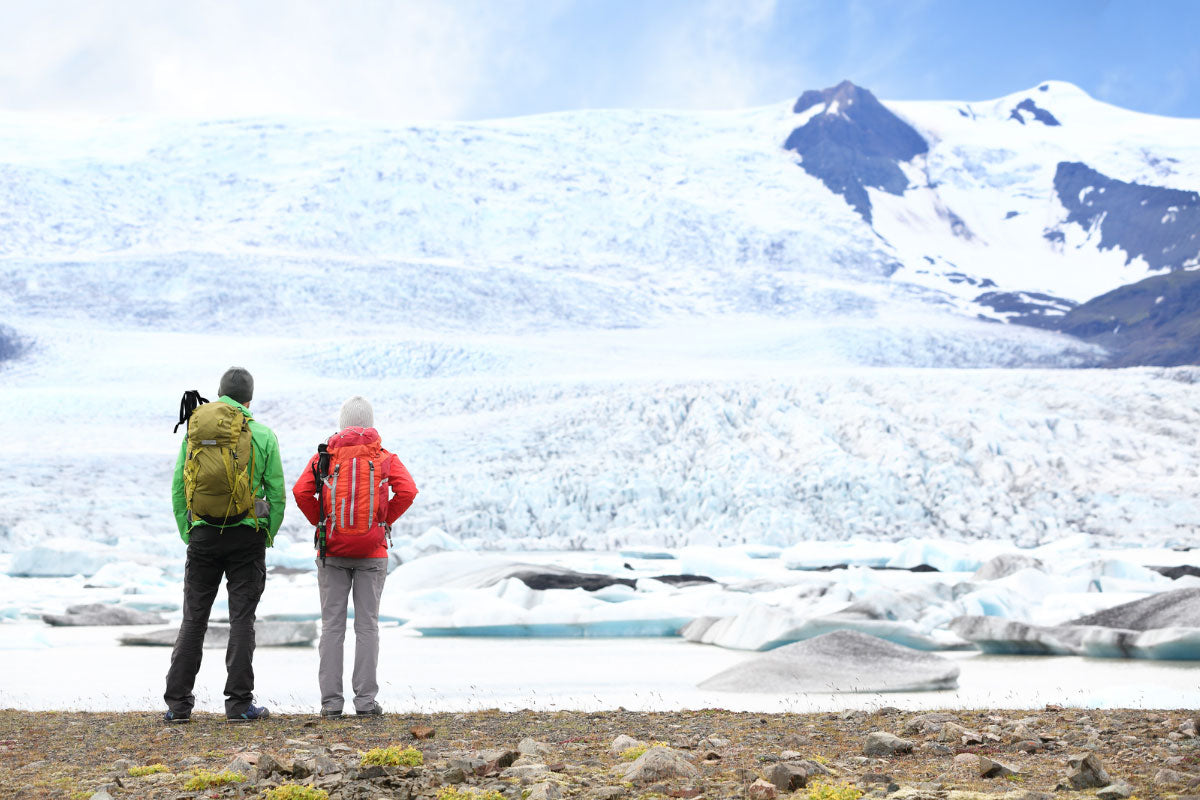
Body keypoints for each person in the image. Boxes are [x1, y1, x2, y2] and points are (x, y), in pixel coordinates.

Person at [164, 367, 285, 722]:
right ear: (249, 399)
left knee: (193, 619)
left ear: (219, 394)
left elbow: (177, 489)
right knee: (242, 621)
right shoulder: (262, 434)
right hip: (246, 538)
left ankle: (178, 705)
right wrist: (265, 534)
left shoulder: (195, 432)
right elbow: (275, 494)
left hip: (203, 535)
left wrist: (191, 531)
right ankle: (238, 705)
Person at [292, 395, 417, 717]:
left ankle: (331, 704)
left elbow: (301, 492)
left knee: (332, 627)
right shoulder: (385, 457)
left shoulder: (324, 457)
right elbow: (408, 491)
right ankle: (365, 702)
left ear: (341, 424)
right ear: (371, 423)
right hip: (373, 552)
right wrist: (383, 521)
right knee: (368, 627)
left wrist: (322, 523)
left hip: (332, 550)